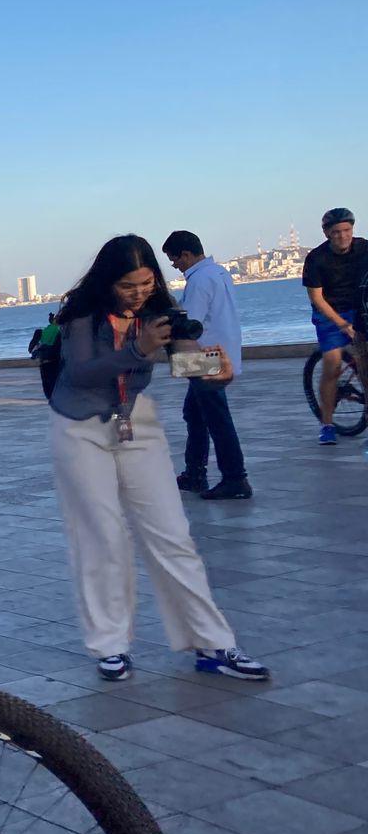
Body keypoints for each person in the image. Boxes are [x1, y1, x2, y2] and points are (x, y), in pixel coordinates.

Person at [48, 235, 267, 683]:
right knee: (102, 538)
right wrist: (139, 348)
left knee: (172, 534)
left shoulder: (158, 313)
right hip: (78, 425)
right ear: (109, 282)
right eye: (129, 285)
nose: (139, 292)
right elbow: (83, 371)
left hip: (134, 420)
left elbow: (185, 363)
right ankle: (110, 646)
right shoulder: (81, 316)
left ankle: (213, 643)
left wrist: (215, 371)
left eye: (147, 282)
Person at [163, 230, 250, 500]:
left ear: (186, 254)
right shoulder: (218, 272)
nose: (174, 266)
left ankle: (235, 477)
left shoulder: (199, 280)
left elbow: (192, 323)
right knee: (194, 413)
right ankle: (194, 472)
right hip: (220, 353)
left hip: (205, 358)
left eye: (174, 260)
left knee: (216, 418)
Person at [303, 207, 368, 445]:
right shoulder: (316, 259)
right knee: (331, 363)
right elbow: (316, 299)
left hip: (360, 307)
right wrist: (342, 324)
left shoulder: (365, 248)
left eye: (347, 230)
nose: (343, 236)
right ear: (327, 233)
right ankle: (327, 424)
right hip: (329, 313)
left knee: (365, 367)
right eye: (337, 232)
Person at [29, 313, 62, 399]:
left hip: (44, 360)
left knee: (48, 386)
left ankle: (53, 399)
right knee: (51, 385)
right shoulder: (59, 330)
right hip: (52, 360)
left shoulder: (47, 330)